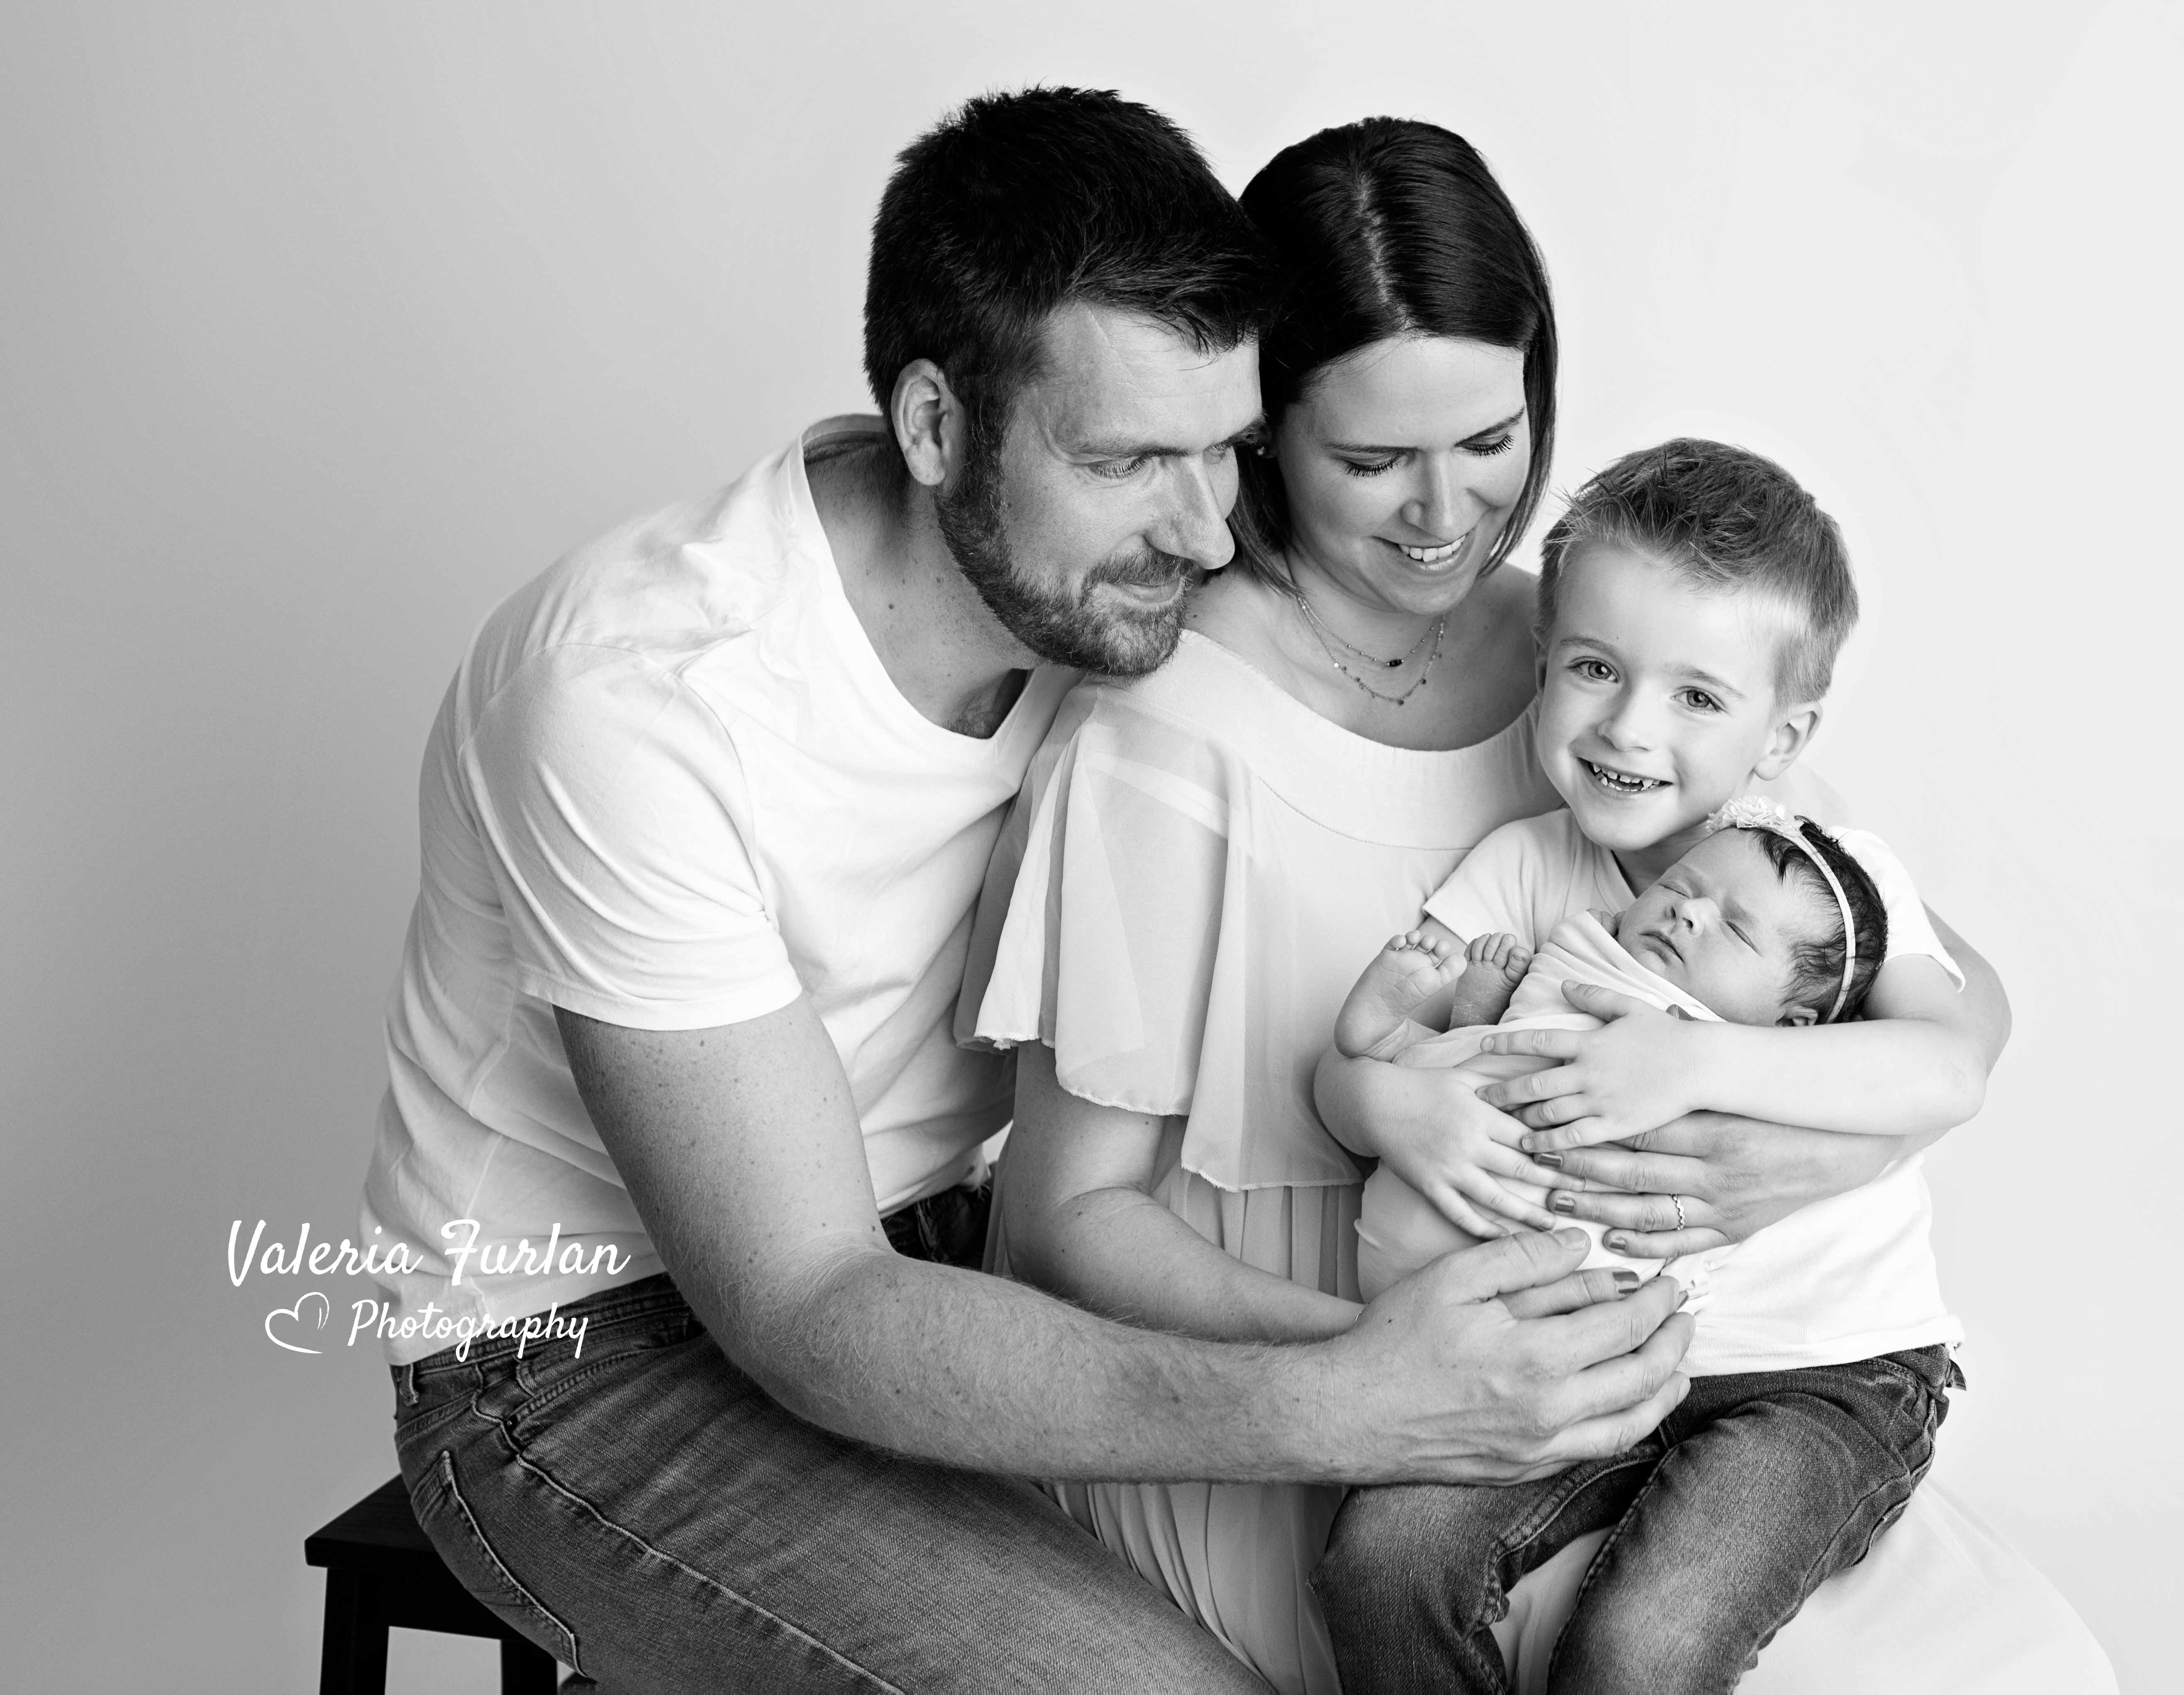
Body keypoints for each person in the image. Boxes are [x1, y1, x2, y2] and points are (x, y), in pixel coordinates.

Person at [355, 87, 1696, 1695]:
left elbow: (1604, 713)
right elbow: (802, 1302)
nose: (1206, 533)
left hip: (950, 1256)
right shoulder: (640, 699)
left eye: (1227, 453)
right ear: (935, 429)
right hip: (588, 1354)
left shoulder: (1117, 592)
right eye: (1132, 460)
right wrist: (1352, 1387)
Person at [969, 125, 2063, 1693]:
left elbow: (1913, 971)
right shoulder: (1166, 741)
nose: (1442, 513)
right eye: (1370, 461)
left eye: (1490, 437)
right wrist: (1383, 1370)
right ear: (1259, 434)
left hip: (1654, 1348)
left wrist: (1791, 1136)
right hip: (1301, 1388)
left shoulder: (1590, 646)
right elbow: (1068, 1220)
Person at [1316, 443, 1970, 1693]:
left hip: (1818, 1372)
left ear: (1786, 736)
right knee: (1380, 1562)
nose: (1627, 727)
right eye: (1596, 669)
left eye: (1697, 696)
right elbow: (1357, 1059)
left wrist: (1692, 1060)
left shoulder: (1832, 882)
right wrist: (1386, 1093)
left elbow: (1946, 1073)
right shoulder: (1521, 868)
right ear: (1546, 659)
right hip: (1598, 1345)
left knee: (1640, 1644)